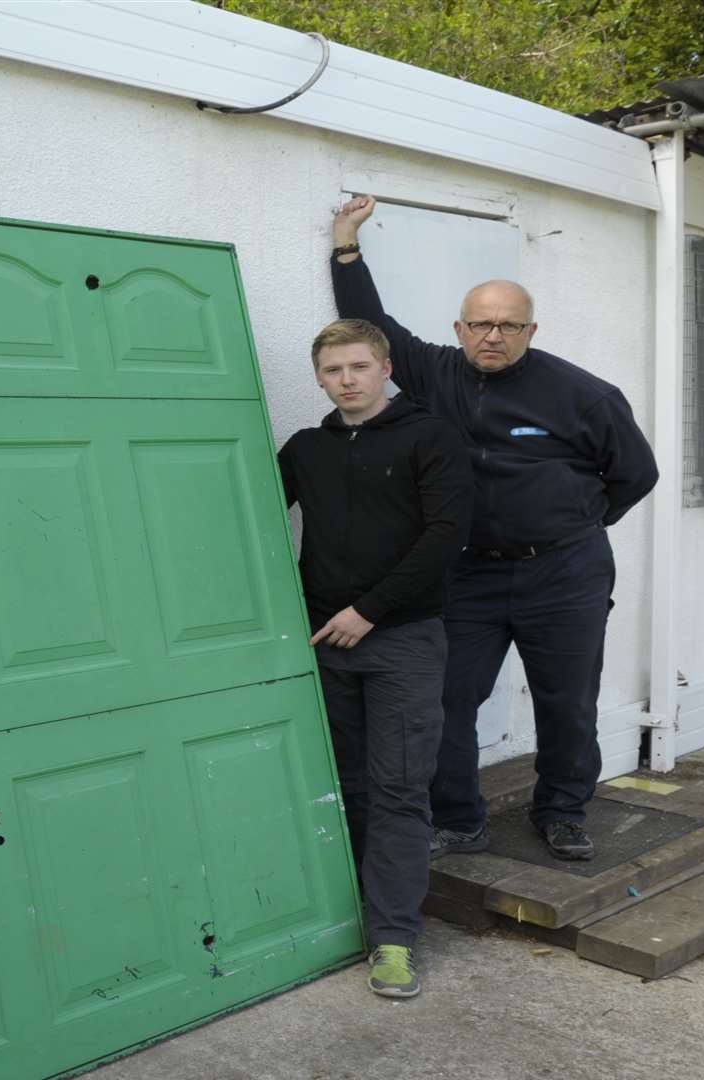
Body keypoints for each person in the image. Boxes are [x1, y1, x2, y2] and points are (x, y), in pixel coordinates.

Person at [329, 195, 659, 863]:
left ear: (531, 331)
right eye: (481, 323)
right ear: (459, 327)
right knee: (447, 698)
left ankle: (563, 812)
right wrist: (345, 244)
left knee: (567, 703)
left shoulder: (583, 394)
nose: (493, 336)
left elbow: (636, 475)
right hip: (470, 573)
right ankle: (458, 820)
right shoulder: (435, 375)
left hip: (564, 573)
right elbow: (370, 325)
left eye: (509, 325)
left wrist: (573, 525)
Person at [280, 318, 472, 998]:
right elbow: (243, 518)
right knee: (345, 784)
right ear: (320, 378)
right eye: (334, 371)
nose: (348, 380)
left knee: (396, 788)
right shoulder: (306, 448)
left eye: (360, 367)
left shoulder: (431, 437)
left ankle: (394, 938)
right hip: (324, 642)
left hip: (402, 642)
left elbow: (446, 536)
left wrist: (370, 611)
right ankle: (349, 917)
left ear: (386, 367)